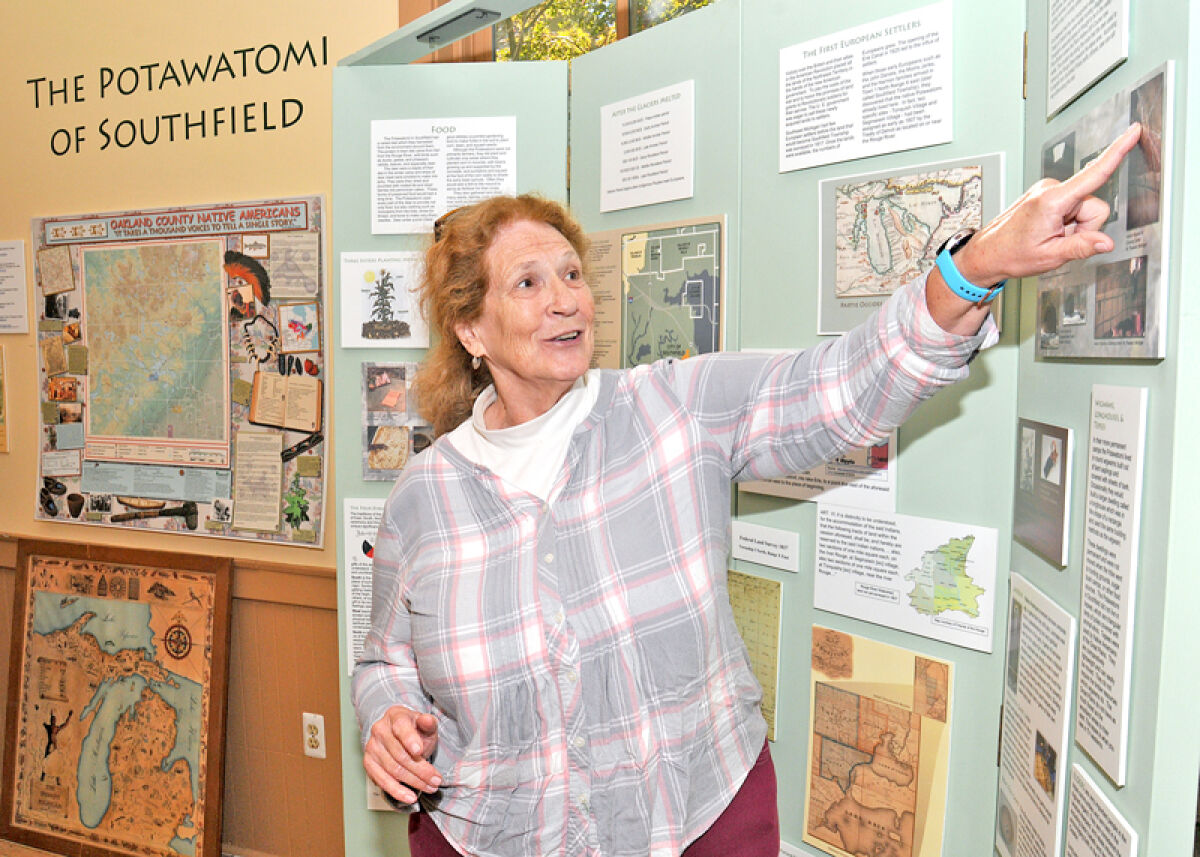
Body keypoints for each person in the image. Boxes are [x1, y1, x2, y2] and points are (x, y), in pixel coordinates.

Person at [352, 125, 1144, 857]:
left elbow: (839, 388)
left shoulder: (673, 408)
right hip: (492, 832)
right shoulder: (425, 498)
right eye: (528, 282)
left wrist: (973, 268)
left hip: (697, 818)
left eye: (570, 274)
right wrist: (387, 712)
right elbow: (385, 657)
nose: (566, 298)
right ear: (471, 330)